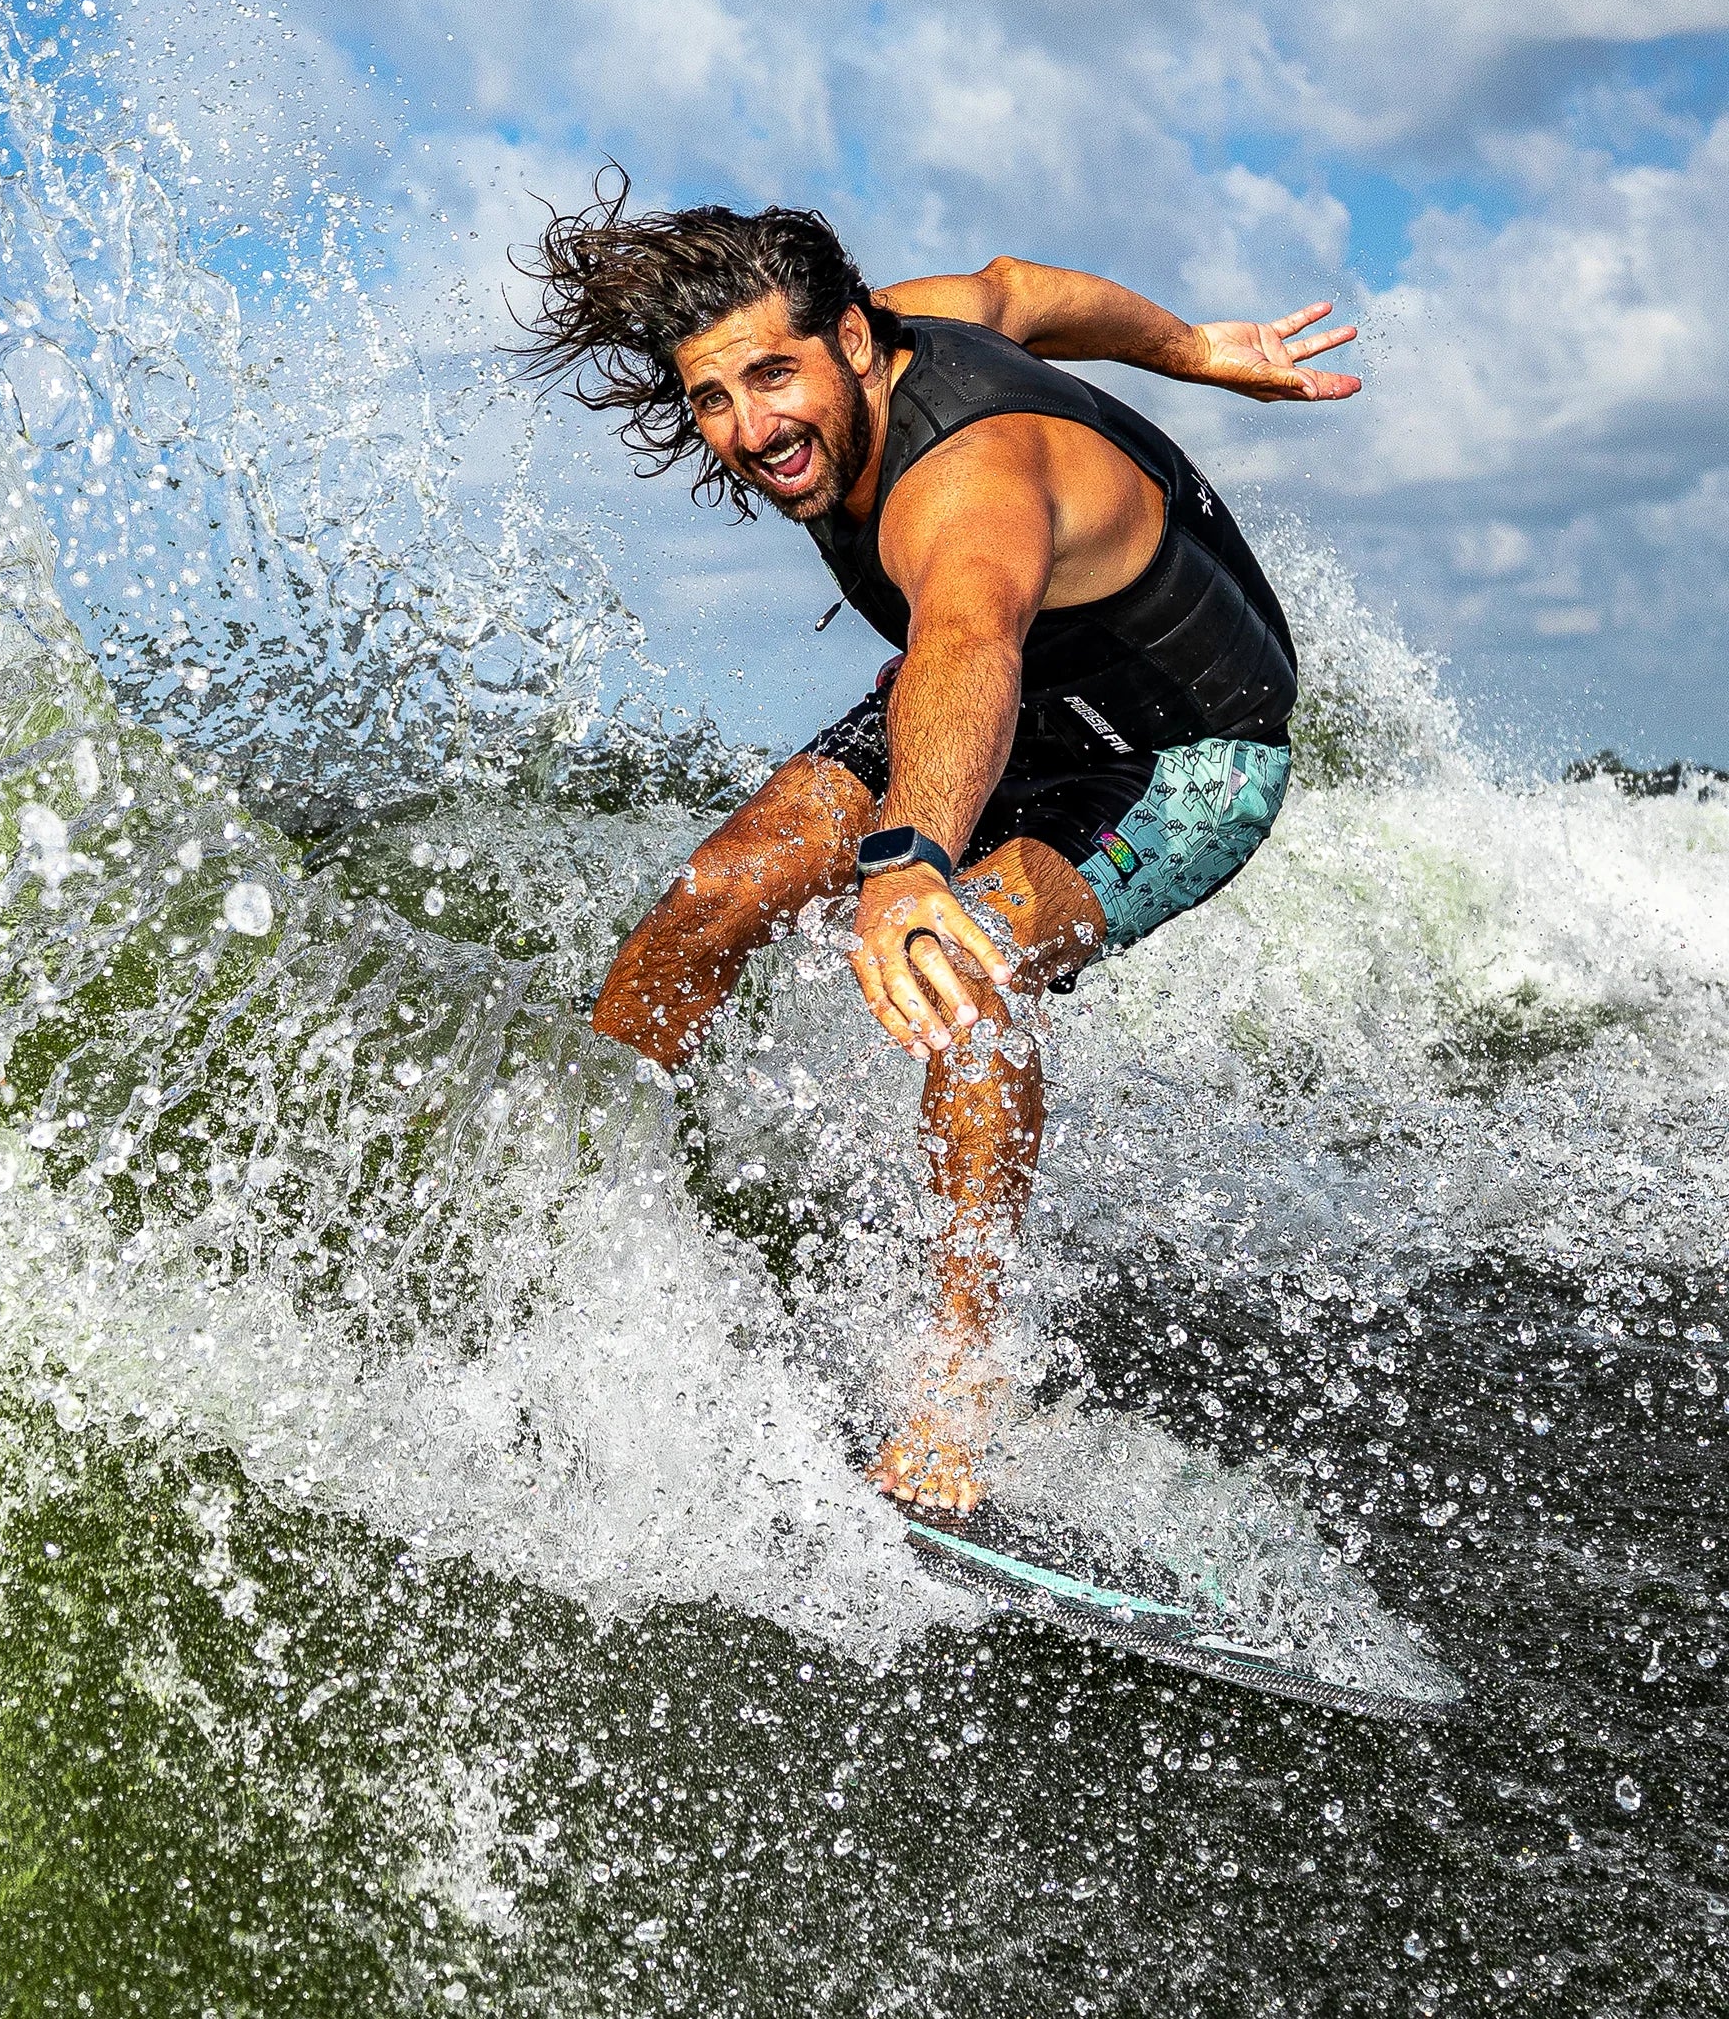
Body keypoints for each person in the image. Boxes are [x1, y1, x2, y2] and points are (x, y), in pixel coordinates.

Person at [515, 181, 1359, 1513]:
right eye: (714, 397)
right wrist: (1193, 349)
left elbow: (965, 640)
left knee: (963, 956)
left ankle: (961, 1394)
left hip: (1180, 751)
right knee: (721, 891)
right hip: (998, 692)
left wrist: (910, 866)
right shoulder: (896, 326)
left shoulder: (963, 486)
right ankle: (550, 1226)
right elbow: (1024, 287)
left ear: (853, 342)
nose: (752, 431)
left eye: (775, 378)